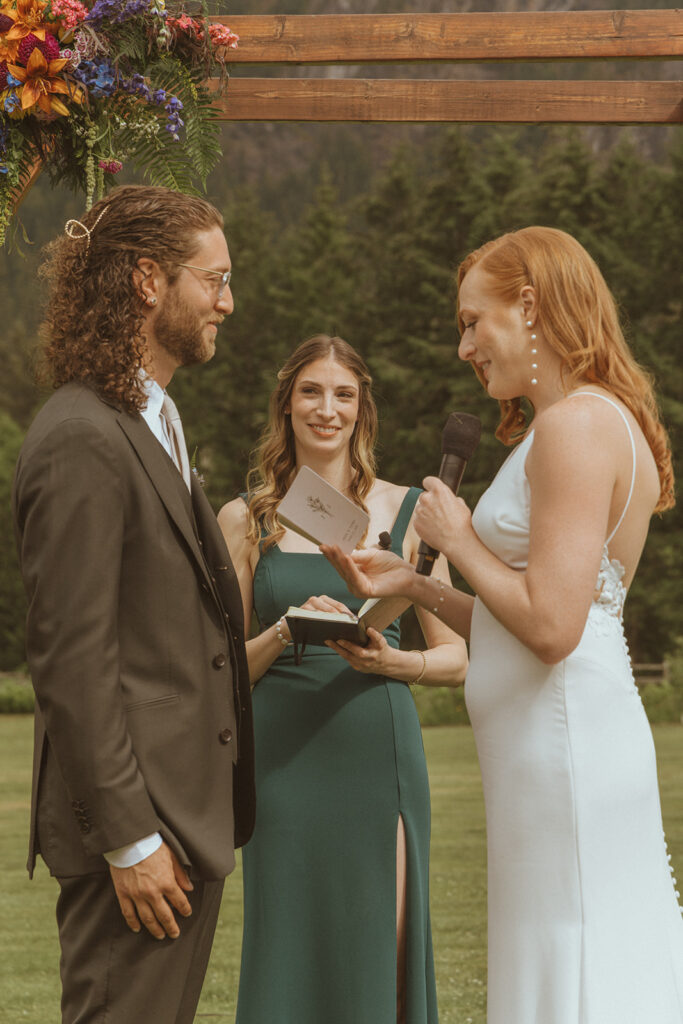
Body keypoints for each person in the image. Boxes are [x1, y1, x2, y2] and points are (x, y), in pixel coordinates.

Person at [323, 227, 683, 1024]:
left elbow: (553, 628)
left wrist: (455, 541)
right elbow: (521, 613)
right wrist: (419, 581)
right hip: (546, 747)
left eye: (471, 321)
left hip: (565, 744)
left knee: (579, 949)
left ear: (528, 307)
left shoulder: (576, 426)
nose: (462, 347)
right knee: (562, 942)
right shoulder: (571, 422)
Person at [12, 184, 254, 1024]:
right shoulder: (82, 434)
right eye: (213, 279)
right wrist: (132, 838)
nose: (228, 300)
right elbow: (73, 662)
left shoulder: (152, 416)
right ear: (149, 281)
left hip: (183, 815)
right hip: (142, 833)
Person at [218, 334, 467, 1024]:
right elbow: (222, 669)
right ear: (286, 403)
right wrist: (284, 630)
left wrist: (396, 662)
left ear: (361, 410)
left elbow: (457, 658)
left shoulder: (410, 512)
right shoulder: (246, 518)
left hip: (374, 747)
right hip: (283, 759)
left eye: (343, 395)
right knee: (290, 950)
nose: (327, 409)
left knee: (379, 952)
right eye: (311, 391)